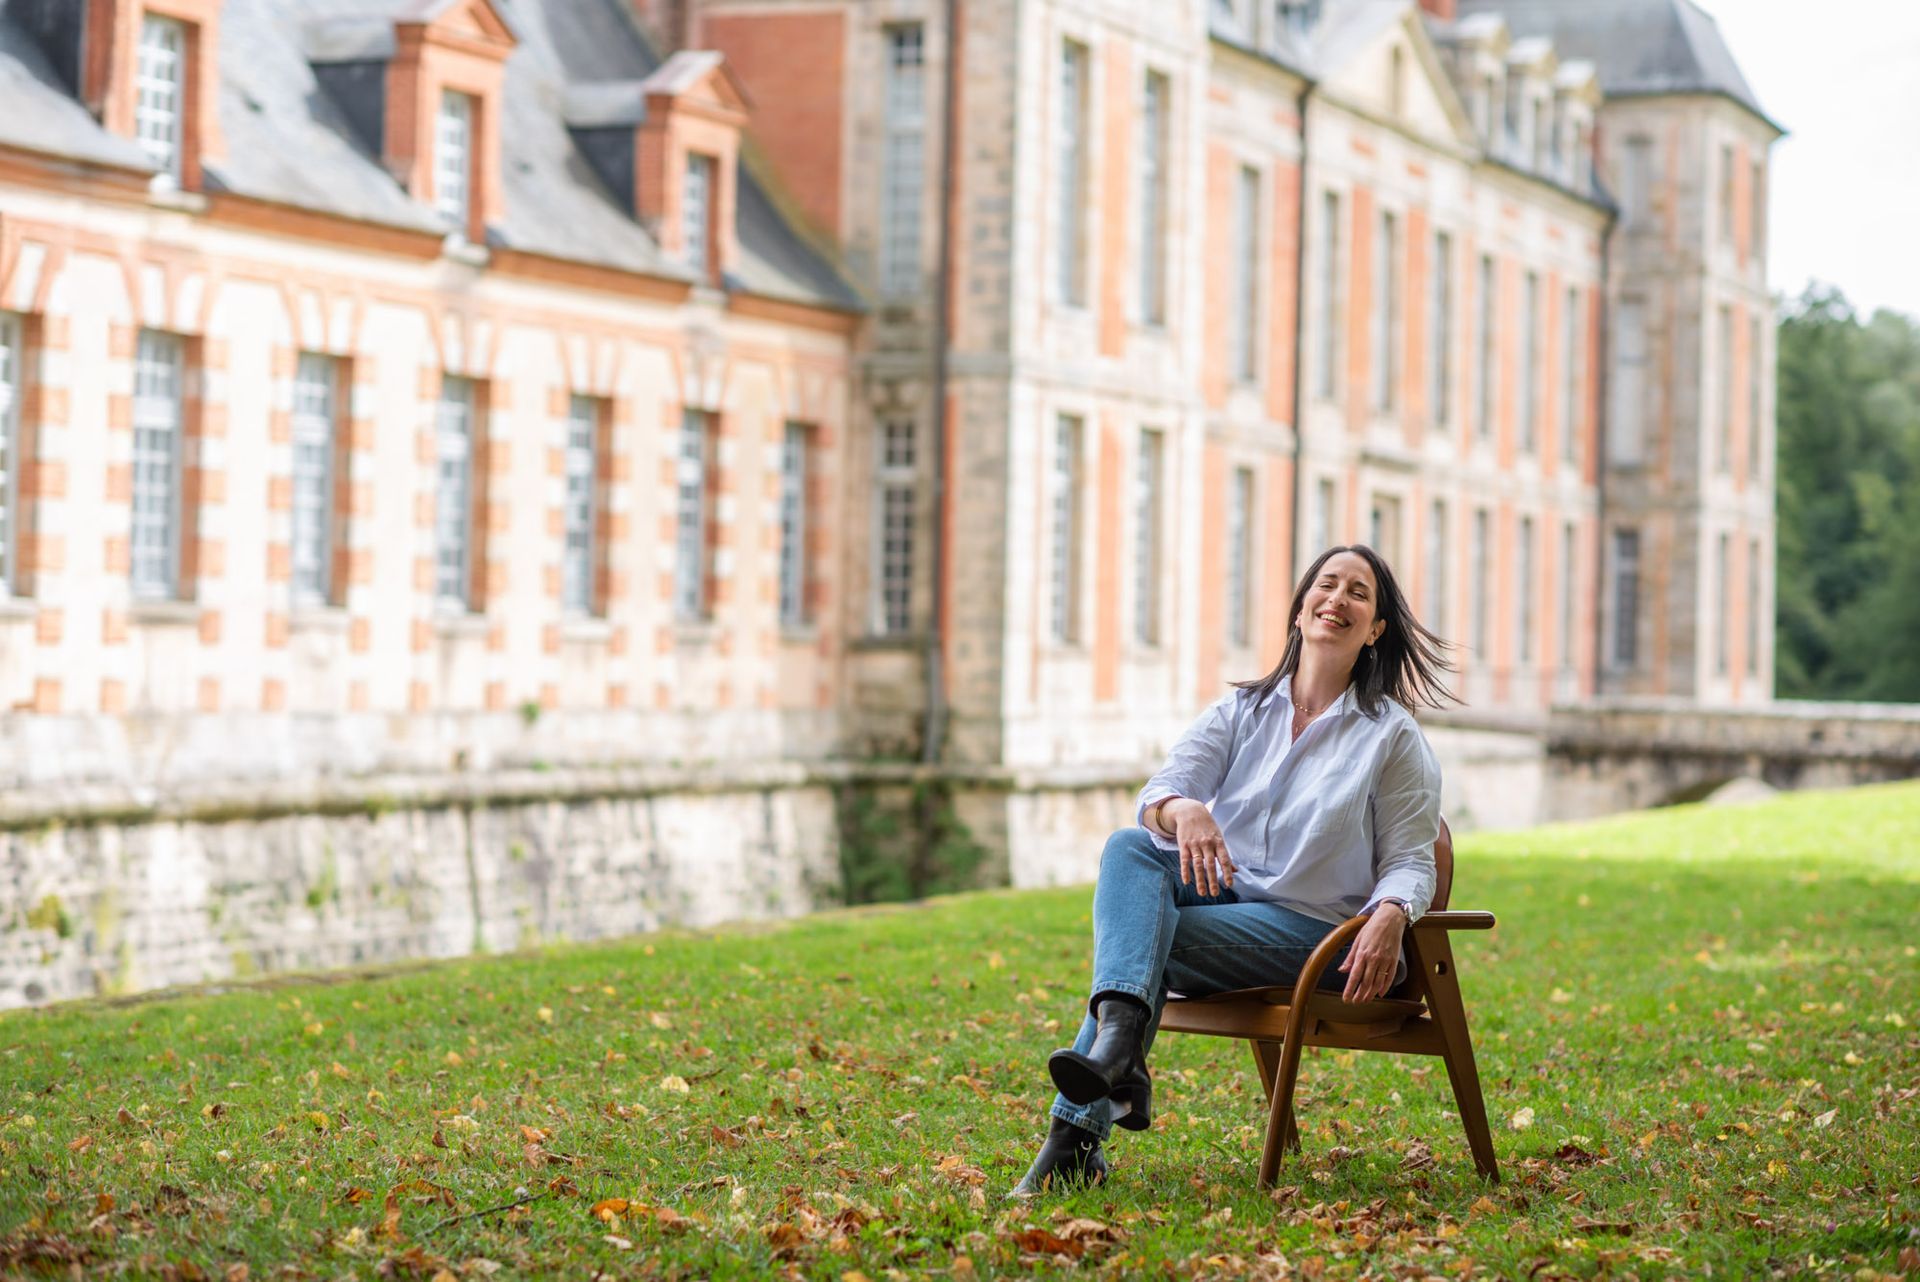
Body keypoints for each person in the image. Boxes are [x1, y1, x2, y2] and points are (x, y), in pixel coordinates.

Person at [1012, 544, 1458, 1195]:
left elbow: (1412, 859)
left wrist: (1392, 912)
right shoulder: (1243, 710)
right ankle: (1116, 1057)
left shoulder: (1391, 736)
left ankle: (1082, 1123)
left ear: (1375, 630)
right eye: (1326, 584)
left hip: (1328, 936)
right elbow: (1157, 796)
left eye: (1358, 593)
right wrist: (1183, 810)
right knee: (1129, 848)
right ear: (1300, 609)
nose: (1337, 599)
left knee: (1142, 942)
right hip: (1233, 902)